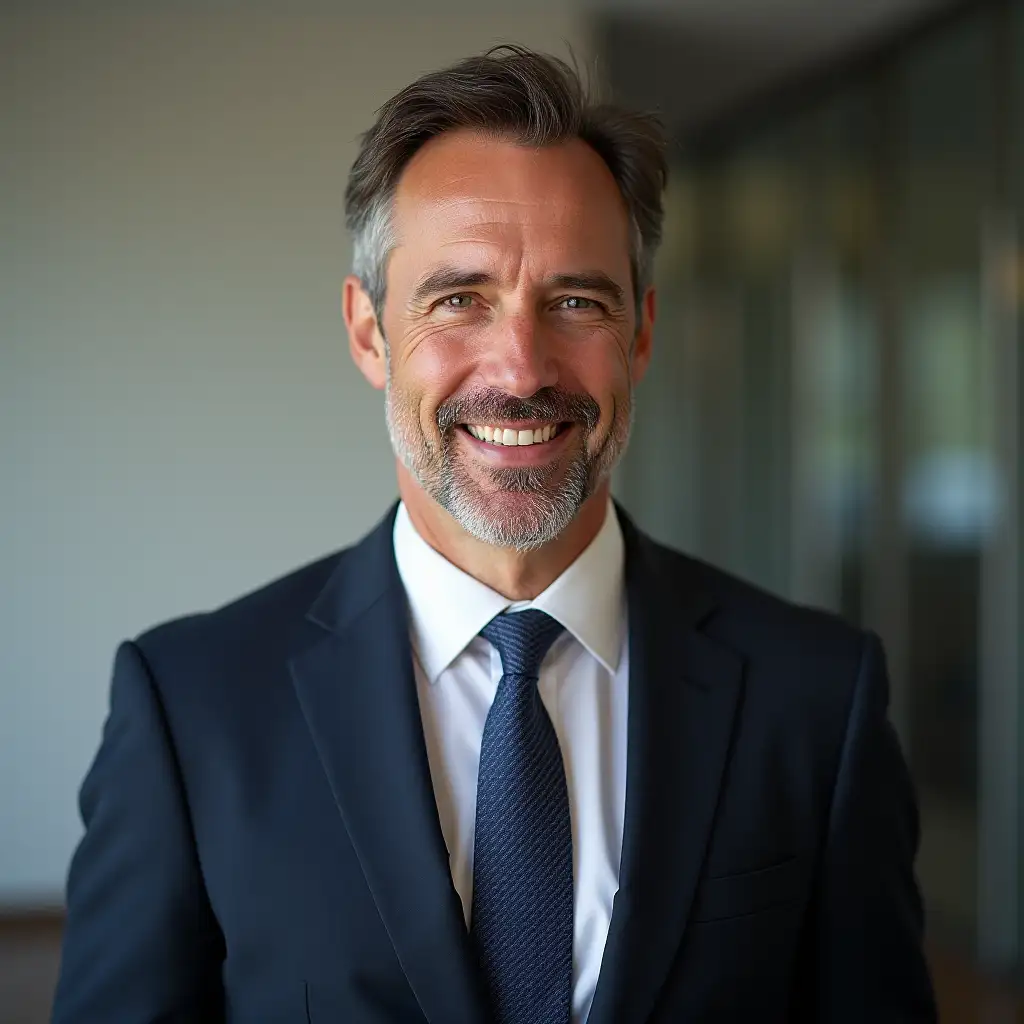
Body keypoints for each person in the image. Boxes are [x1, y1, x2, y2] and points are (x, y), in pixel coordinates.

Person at [52, 45, 937, 1024]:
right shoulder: (193, 711)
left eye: (574, 301)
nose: (519, 369)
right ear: (367, 331)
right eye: (459, 299)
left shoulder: (815, 697)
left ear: (640, 333)